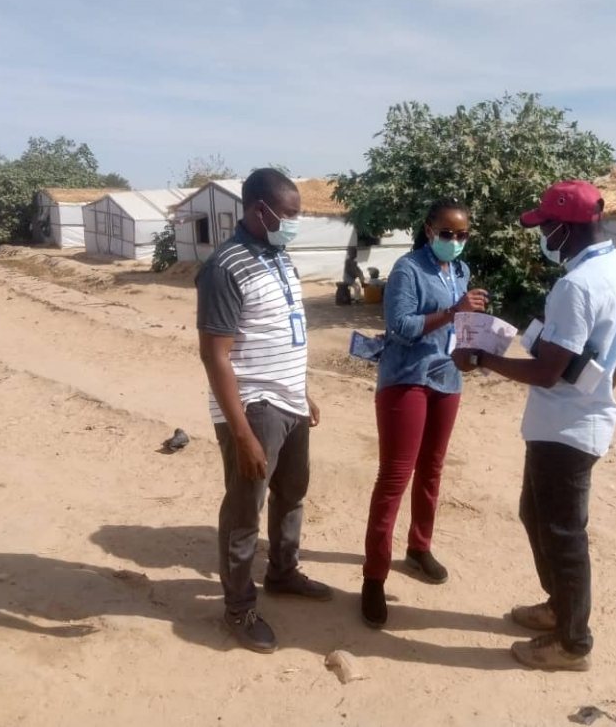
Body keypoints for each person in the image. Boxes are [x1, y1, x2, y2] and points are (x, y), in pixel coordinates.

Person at [452, 180, 616, 672]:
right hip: (580, 416)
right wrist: (601, 389)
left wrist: (481, 360)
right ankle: (558, 606)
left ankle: (572, 642)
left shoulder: (576, 285)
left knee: (563, 532)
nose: (542, 237)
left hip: (564, 428)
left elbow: (545, 371)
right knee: (534, 513)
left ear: (566, 228)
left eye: (546, 227)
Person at [196, 168, 331, 654]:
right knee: (243, 511)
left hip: (289, 400)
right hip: (254, 408)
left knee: (292, 492)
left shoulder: (278, 256)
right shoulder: (224, 267)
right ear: (259, 210)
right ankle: (238, 608)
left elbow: (282, 331)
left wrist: (302, 390)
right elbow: (216, 355)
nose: (295, 222)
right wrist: (243, 434)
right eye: (289, 214)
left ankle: (283, 572)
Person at [361, 197, 489, 628]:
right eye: (448, 233)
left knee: (432, 470)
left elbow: (457, 326)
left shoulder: (460, 271)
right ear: (429, 229)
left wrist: (476, 335)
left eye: (463, 235)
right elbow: (400, 326)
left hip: (448, 379)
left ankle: (418, 548)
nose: (455, 241)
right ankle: (374, 578)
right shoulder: (408, 269)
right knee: (396, 476)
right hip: (407, 380)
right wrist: (454, 311)